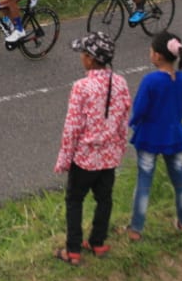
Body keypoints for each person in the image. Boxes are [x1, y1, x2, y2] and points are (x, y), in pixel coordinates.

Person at [53, 31, 131, 266]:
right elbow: (124, 120)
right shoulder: (120, 82)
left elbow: (72, 127)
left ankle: (73, 250)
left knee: (75, 200)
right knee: (104, 199)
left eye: (83, 53)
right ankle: (98, 241)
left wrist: (64, 159)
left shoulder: (82, 87)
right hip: (109, 157)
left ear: (90, 58)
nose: (81, 58)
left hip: (85, 158)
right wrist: (119, 148)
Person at [123, 31, 182, 241]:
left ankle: (136, 228)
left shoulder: (151, 81)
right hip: (175, 135)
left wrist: (133, 123)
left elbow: (140, 108)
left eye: (151, 50)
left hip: (150, 136)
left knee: (144, 182)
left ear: (158, 56)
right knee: (180, 180)